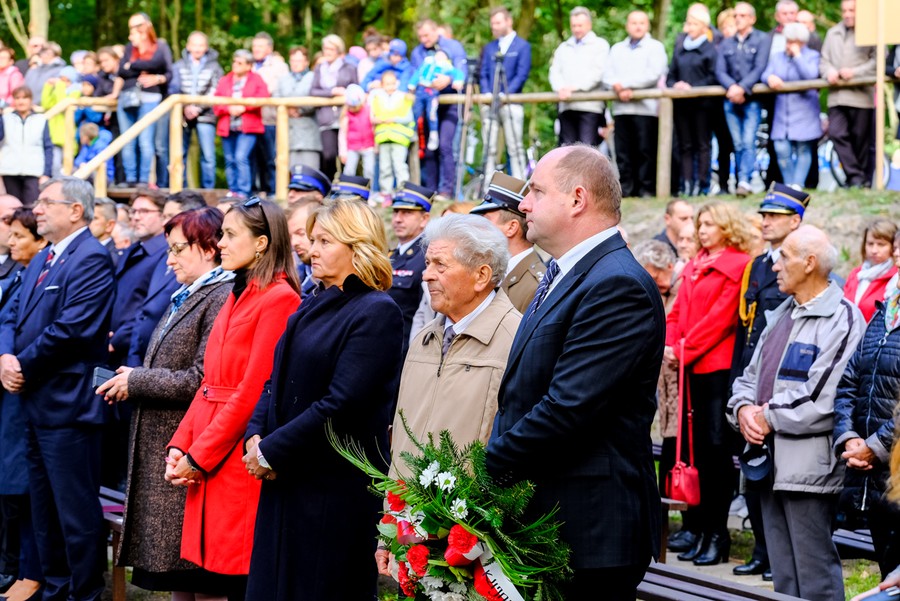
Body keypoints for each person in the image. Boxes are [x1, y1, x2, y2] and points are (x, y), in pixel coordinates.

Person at [485, 145, 664, 599]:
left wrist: (480, 469)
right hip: (550, 518)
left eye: (536, 192)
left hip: (588, 531)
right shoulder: (569, 272)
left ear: (578, 199)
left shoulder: (616, 283)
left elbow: (567, 408)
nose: (524, 204)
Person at [243, 198, 403, 600]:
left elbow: (342, 404)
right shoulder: (315, 300)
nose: (311, 250)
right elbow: (275, 378)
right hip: (288, 477)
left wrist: (271, 450)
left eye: (324, 241)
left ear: (357, 245)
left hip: (331, 489)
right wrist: (255, 434)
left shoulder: (376, 310)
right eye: (312, 240)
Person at [166, 198, 300, 599]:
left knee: (233, 578)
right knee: (208, 578)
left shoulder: (279, 298)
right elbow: (210, 383)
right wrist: (180, 444)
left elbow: (251, 391)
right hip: (212, 446)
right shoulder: (238, 292)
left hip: (235, 454)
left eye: (229, 234)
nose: (220, 243)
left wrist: (198, 455)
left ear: (261, 243)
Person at [97, 208, 233, 597]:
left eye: (177, 249)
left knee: (196, 574)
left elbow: (202, 377)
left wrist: (137, 380)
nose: (169, 260)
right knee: (177, 573)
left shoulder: (220, 295)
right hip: (170, 445)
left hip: (189, 446)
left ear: (208, 248)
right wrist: (134, 377)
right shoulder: (192, 292)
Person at [729, 225, 863, 601]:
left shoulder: (843, 319)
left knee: (815, 577)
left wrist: (763, 417)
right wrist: (742, 410)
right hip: (767, 464)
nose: (775, 265)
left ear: (809, 263)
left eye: (784, 257)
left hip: (808, 471)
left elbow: (822, 400)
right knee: (784, 579)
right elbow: (748, 377)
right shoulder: (782, 313)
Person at [0, 177, 114, 601]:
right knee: (44, 510)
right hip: (35, 403)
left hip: (69, 407)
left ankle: (83, 593)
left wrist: (22, 364)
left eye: (47, 202)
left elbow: (71, 330)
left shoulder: (91, 258)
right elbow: (12, 314)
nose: (37, 209)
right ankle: (55, 588)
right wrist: (5, 357)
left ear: (75, 210)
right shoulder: (45, 256)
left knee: (75, 513)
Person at [724, 184, 809, 579]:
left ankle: (780, 556)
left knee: (780, 474)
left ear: (796, 221)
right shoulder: (759, 265)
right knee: (754, 471)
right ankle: (762, 549)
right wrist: (738, 385)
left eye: (775, 216)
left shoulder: (805, 265)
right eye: (764, 215)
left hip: (783, 385)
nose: (765, 221)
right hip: (753, 379)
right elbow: (747, 330)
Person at [664, 201, 753, 566]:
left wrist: (683, 349)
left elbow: (721, 319)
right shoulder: (696, 264)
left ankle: (717, 534)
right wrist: (670, 344)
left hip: (715, 371)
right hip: (689, 367)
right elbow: (676, 313)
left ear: (727, 228)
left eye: (710, 224)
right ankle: (699, 529)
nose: (702, 230)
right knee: (695, 453)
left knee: (716, 456)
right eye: (700, 224)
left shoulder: (737, 265)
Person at [835, 227, 900, 578]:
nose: (898, 255)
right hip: (874, 475)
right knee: (888, 572)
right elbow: (849, 381)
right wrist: (849, 438)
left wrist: (875, 446)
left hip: (891, 462)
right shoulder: (884, 314)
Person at [0, 208, 46, 601]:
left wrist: (16, 362)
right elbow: (7, 323)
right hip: (11, 383)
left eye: (19, 236)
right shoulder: (19, 273)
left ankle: (26, 570)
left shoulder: (40, 273)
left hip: (29, 389)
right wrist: (5, 356)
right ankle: (13, 565)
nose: (11, 242)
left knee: (24, 485)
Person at [602, 11, 669, 198]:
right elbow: (607, 75)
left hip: (646, 109)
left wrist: (626, 85)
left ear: (647, 25)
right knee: (623, 151)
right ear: (627, 25)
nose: (638, 26)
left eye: (641, 22)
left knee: (645, 150)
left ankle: (646, 189)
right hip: (622, 109)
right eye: (634, 22)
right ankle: (626, 188)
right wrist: (617, 86)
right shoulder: (617, 49)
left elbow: (654, 73)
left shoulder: (655, 47)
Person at [715, 2, 771, 197]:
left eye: (742, 15)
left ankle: (745, 181)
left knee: (748, 141)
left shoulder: (762, 39)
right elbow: (720, 70)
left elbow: (760, 67)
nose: (738, 19)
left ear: (752, 19)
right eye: (736, 15)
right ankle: (741, 180)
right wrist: (732, 87)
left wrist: (742, 88)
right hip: (730, 100)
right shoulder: (726, 43)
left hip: (751, 99)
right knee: (737, 143)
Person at [821, 0, 877, 188]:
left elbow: (878, 61)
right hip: (836, 96)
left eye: (851, 10)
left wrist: (855, 72)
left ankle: (860, 181)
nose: (847, 14)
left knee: (860, 139)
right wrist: (829, 72)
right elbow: (824, 61)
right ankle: (855, 176)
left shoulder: (871, 32)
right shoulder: (832, 33)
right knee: (836, 133)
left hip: (861, 97)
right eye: (844, 10)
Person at [470, 172, 545, 313]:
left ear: (511, 228)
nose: (478, 228)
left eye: (486, 221)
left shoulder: (536, 286)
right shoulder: (489, 271)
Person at [410, 19, 467, 198]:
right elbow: (416, 74)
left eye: (427, 35)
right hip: (428, 105)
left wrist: (449, 80)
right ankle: (430, 190)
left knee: (445, 145)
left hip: (450, 103)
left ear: (436, 31)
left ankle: (446, 190)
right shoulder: (417, 52)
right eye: (420, 36)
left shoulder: (453, 46)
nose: (424, 39)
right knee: (429, 148)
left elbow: (461, 71)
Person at [115, 12, 172, 186]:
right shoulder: (128, 48)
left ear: (147, 26)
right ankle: (130, 178)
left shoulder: (160, 47)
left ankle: (144, 180)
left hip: (150, 97)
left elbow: (160, 66)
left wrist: (132, 65)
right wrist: (136, 67)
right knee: (127, 140)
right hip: (127, 97)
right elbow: (121, 71)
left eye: (137, 26)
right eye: (131, 27)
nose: (133, 31)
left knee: (146, 141)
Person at [763, 23, 822, 188]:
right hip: (783, 112)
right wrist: (769, 78)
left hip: (805, 111)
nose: (788, 45)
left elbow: (810, 75)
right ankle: (789, 184)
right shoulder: (778, 57)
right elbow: (765, 73)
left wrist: (798, 56)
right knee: (781, 147)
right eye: (787, 41)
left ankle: (798, 184)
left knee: (803, 148)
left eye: (792, 42)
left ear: (802, 42)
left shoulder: (812, 56)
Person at [668, 5, 719, 197]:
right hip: (682, 105)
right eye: (688, 23)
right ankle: (687, 184)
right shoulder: (680, 49)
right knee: (685, 145)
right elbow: (671, 75)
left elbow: (713, 76)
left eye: (694, 24)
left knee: (702, 145)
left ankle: (702, 184)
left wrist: (693, 87)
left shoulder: (710, 50)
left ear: (703, 26)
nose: (689, 27)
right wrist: (677, 85)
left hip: (702, 106)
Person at [480, 6, 531, 179]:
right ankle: (488, 184)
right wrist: (487, 93)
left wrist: (505, 95)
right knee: (489, 148)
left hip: (512, 103)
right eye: (492, 23)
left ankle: (519, 184)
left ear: (508, 21)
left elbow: (522, 74)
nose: (493, 27)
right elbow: (483, 73)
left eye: (497, 23)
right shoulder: (489, 47)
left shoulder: (522, 46)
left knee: (515, 146)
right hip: (489, 104)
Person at [549, 7, 609, 147]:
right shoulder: (563, 48)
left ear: (589, 25)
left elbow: (598, 73)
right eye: (574, 25)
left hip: (590, 107)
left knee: (586, 150)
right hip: (566, 106)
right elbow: (554, 71)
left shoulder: (600, 45)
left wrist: (574, 88)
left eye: (580, 25)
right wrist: (560, 88)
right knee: (567, 149)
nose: (576, 29)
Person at [170, 31, 223, 190]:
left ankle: (208, 189)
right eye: (194, 45)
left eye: (201, 45)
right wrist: (185, 107)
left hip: (206, 115)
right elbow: (174, 88)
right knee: (180, 153)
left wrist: (198, 108)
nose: (198, 48)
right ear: (188, 46)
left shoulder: (215, 67)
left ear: (206, 47)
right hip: (182, 115)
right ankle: (181, 188)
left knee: (208, 154)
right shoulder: (178, 66)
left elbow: (216, 89)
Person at [214, 50, 268, 198]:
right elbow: (216, 102)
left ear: (248, 66)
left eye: (240, 63)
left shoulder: (256, 79)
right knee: (229, 159)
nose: (235, 65)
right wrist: (229, 109)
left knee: (240, 157)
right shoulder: (225, 80)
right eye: (234, 62)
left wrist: (244, 107)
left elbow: (263, 97)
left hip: (248, 127)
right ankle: (233, 190)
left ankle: (243, 192)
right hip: (228, 126)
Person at [388, 183, 432, 352]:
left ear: (424, 219)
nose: (398, 219)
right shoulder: (391, 255)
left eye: (407, 213)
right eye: (396, 212)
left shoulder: (426, 258)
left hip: (407, 348)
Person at [311, 35, 359, 182]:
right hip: (326, 117)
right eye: (326, 48)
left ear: (338, 51)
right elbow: (313, 91)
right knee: (329, 155)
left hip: (346, 117)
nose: (328, 51)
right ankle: (329, 185)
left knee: (346, 155)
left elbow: (355, 89)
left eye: (331, 49)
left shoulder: (349, 68)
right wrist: (332, 92)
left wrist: (345, 93)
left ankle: (346, 186)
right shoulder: (319, 68)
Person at [250, 32, 288, 196]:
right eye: (254, 46)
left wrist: (255, 94)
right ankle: (257, 191)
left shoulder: (279, 66)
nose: (256, 49)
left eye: (260, 46)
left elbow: (276, 89)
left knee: (270, 157)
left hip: (270, 118)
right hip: (251, 119)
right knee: (253, 157)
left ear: (269, 49)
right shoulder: (249, 64)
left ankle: (273, 191)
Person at [0, 87, 52, 205]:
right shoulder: (6, 118)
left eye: (24, 98)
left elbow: (48, 147)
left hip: (34, 170)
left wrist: (46, 173)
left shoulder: (40, 119)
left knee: (32, 205)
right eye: (17, 98)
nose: (21, 101)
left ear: (30, 100)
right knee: (13, 206)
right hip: (10, 169)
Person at [370, 70, 414, 201]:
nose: (391, 86)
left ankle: (403, 192)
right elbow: (372, 116)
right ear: (382, 84)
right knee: (385, 168)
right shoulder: (377, 98)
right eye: (388, 84)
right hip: (383, 138)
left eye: (393, 83)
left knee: (400, 166)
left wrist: (393, 119)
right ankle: (386, 194)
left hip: (399, 138)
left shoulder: (403, 97)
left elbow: (409, 117)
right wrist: (376, 120)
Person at [407, 50, 463, 153]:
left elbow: (458, 73)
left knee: (431, 113)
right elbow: (417, 74)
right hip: (420, 90)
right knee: (415, 112)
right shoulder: (427, 63)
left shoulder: (446, 67)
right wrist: (412, 84)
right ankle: (411, 131)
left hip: (432, 92)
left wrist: (457, 81)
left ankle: (433, 134)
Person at [276, 46, 321, 171]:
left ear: (306, 62)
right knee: (291, 171)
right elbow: (275, 97)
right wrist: (287, 110)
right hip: (288, 132)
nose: (295, 64)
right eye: (293, 61)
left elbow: (317, 97)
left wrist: (300, 109)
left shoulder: (314, 77)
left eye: (299, 61)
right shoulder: (283, 79)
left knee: (310, 171)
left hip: (309, 133)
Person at [844, 219, 898, 323]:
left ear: (893, 246)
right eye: (870, 244)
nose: (874, 250)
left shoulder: (895, 279)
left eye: (881, 244)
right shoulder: (856, 274)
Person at [285, 196, 323, 299]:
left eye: (300, 233)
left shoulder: (332, 279)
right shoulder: (293, 273)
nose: (293, 243)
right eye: (290, 237)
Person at [338, 84, 375, 181]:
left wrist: (376, 145)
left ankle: (369, 188)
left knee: (369, 170)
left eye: (355, 106)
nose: (353, 109)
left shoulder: (369, 110)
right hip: (352, 147)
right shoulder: (346, 115)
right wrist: (343, 152)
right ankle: (347, 187)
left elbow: (374, 128)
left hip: (368, 146)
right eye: (351, 106)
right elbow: (342, 134)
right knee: (349, 170)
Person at [90, 197, 120, 266]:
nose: (88, 222)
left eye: (94, 218)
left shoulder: (113, 258)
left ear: (110, 225)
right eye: (88, 217)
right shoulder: (82, 249)